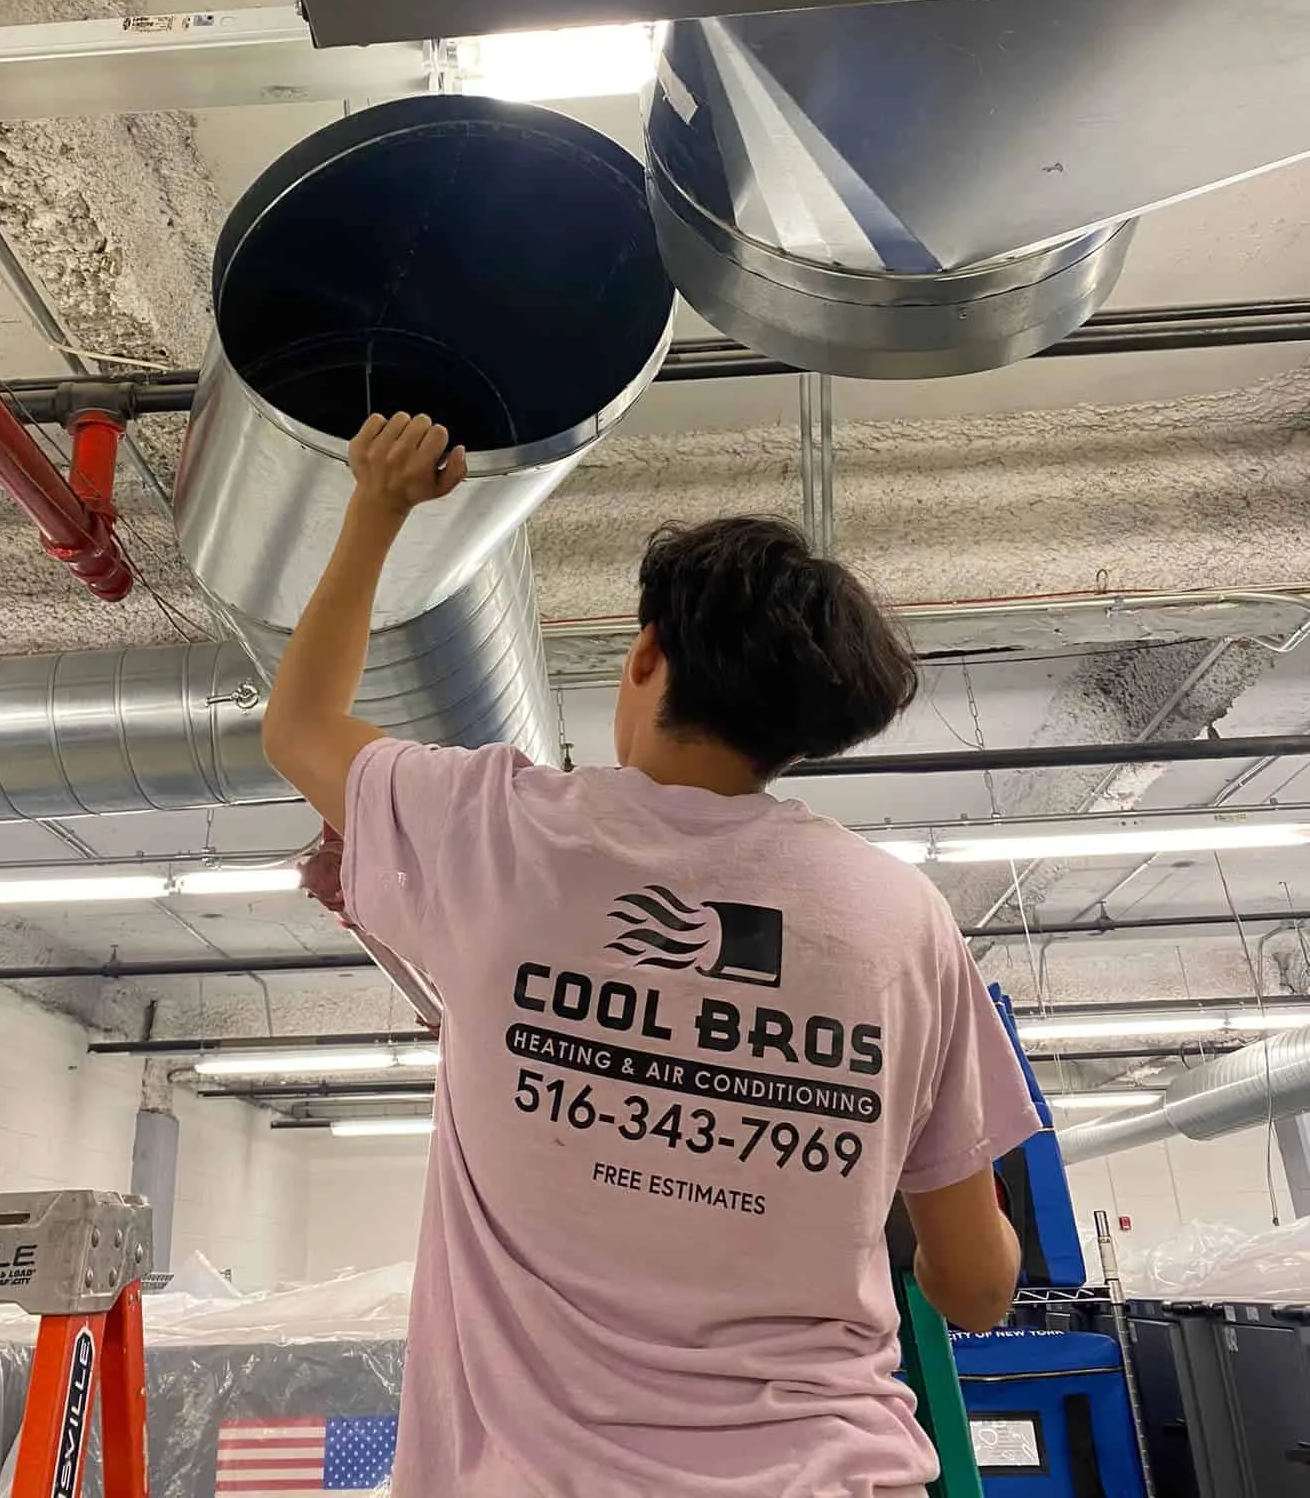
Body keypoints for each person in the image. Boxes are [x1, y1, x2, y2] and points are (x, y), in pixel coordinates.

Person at [264, 411, 1040, 1498]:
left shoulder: (497, 829)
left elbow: (300, 724)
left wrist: (378, 505)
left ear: (644, 656)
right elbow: (977, 1288)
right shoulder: (905, 922)